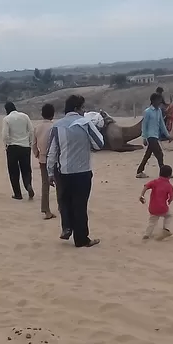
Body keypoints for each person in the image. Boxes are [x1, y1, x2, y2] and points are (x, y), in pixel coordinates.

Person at [46, 94, 104, 248]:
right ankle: (81, 239)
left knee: (65, 201)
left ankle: (67, 227)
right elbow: (99, 143)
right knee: (80, 205)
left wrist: (50, 173)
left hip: (64, 172)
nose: (84, 111)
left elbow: (52, 152)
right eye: (82, 107)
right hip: (82, 172)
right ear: (77, 108)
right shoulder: (86, 123)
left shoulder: (57, 126)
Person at [2, 101, 36, 200]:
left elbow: (5, 135)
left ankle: (18, 194)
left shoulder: (7, 119)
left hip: (12, 147)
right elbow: (31, 131)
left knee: (13, 171)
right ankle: (28, 185)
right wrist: (30, 143)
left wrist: (7, 144)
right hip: (25, 147)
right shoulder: (25, 116)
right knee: (26, 169)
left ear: (6, 110)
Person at [32, 103, 59, 221]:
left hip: (43, 159)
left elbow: (33, 144)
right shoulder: (55, 126)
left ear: (42, 114)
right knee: (59, 184)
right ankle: (61, 207)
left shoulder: (37, 128)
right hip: (56, 160)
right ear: (53, 114)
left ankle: (46, 210)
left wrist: (37, 154)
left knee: (45, 184)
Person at [136, 93, 172, 179]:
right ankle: (164, 174)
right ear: (153, 101)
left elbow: (161, 124)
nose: (160, 102)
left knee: (147, 155)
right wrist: (144, 137)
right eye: (158, 100)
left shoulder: (159, 111)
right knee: (160, 155)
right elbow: (144, 125)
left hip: (156, 136)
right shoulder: (147, 112)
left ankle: (139, 171)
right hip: (150, 137)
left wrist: (167, 135)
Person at [139, 165, 173, 241]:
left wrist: (142, 195)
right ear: (169, 176)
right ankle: (166, 229)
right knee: (169, 216)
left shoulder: (155, 182)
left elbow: (146, 186)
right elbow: (172, 196)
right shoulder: (169, 185)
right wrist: (169, 201)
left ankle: (147, 235)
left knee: (152, 222)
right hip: (163, 208)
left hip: (152, 208)